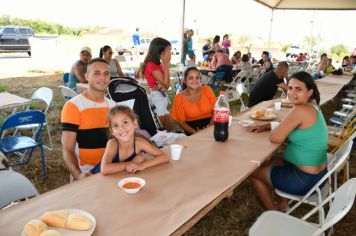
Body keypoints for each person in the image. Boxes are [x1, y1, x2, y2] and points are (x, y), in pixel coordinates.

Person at [247, 71, 328, 211]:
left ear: (309, 92)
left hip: (304, 181)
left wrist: (276, 128)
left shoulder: (300, 110)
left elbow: (275, 137)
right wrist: (268, 125)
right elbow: (294, 127)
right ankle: (283, 204)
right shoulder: (313, 107)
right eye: (290, 88)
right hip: (319, 176)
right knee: (271, 160)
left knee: (253, 172)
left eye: (298, 89)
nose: (292, 92)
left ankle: (272, 211)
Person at [61, 58, 116, 180]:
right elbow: (68, 149)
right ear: (86, 76)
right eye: (97, 73)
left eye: (106, 73)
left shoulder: (113, 105)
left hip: (113, 165)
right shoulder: (73, 106)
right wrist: (78, 175)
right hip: (88, 170)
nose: (102, 77)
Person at [90, 105, 169, 175]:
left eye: (125, 122)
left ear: (134, 123)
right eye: (116, 125)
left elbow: (164, 157)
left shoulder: (139, 143)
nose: (121, 128)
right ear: (112, 131)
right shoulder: (112, 143)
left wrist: (142, 165)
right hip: (95, 177)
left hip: (117, 179)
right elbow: (104, 169)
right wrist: (133, 163)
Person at [171, 67, 217, 135]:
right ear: (184, 80)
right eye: (191, 78)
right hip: (191, 129)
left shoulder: (207, 90)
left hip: (211, 125)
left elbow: (216, 110)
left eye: (197, 77)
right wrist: (196, 133)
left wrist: (211, 125)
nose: (195, 80)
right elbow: (181, 122)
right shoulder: (179, 98)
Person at [142, 37, 172, 131]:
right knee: (164, 131)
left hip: (161, 97)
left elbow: (166, 85)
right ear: (161, 51)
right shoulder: (151, 64)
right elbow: (166, 85)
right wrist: (166, 64)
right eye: (169, 50)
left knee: (168, 129)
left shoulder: (158, 64)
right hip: (157, 98)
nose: (170, 53)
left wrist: (165, 65)